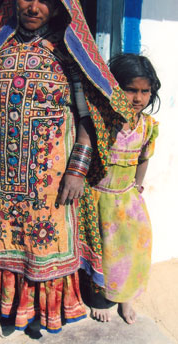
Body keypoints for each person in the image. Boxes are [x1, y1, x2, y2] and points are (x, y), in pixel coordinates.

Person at [0, 0, 134, 334]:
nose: (33, 6)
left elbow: (89, 116)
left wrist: (78, 168)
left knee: (44, 245)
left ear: (58, 6)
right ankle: (2, 305)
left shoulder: (69, 53)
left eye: (43, 1)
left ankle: (44, 313)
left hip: (50, 177)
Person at [84, 53, 161, 324]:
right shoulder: (102, 122)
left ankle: (125, 296)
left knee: (132, 249)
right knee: (104, 251)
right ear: (115, 88)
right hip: (99, 197)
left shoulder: (148, 126)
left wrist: (137, 186)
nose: (138, 98)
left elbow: (143, 159)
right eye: (130, 90)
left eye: (145, 91)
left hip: (127, 199)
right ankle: (101, 299)